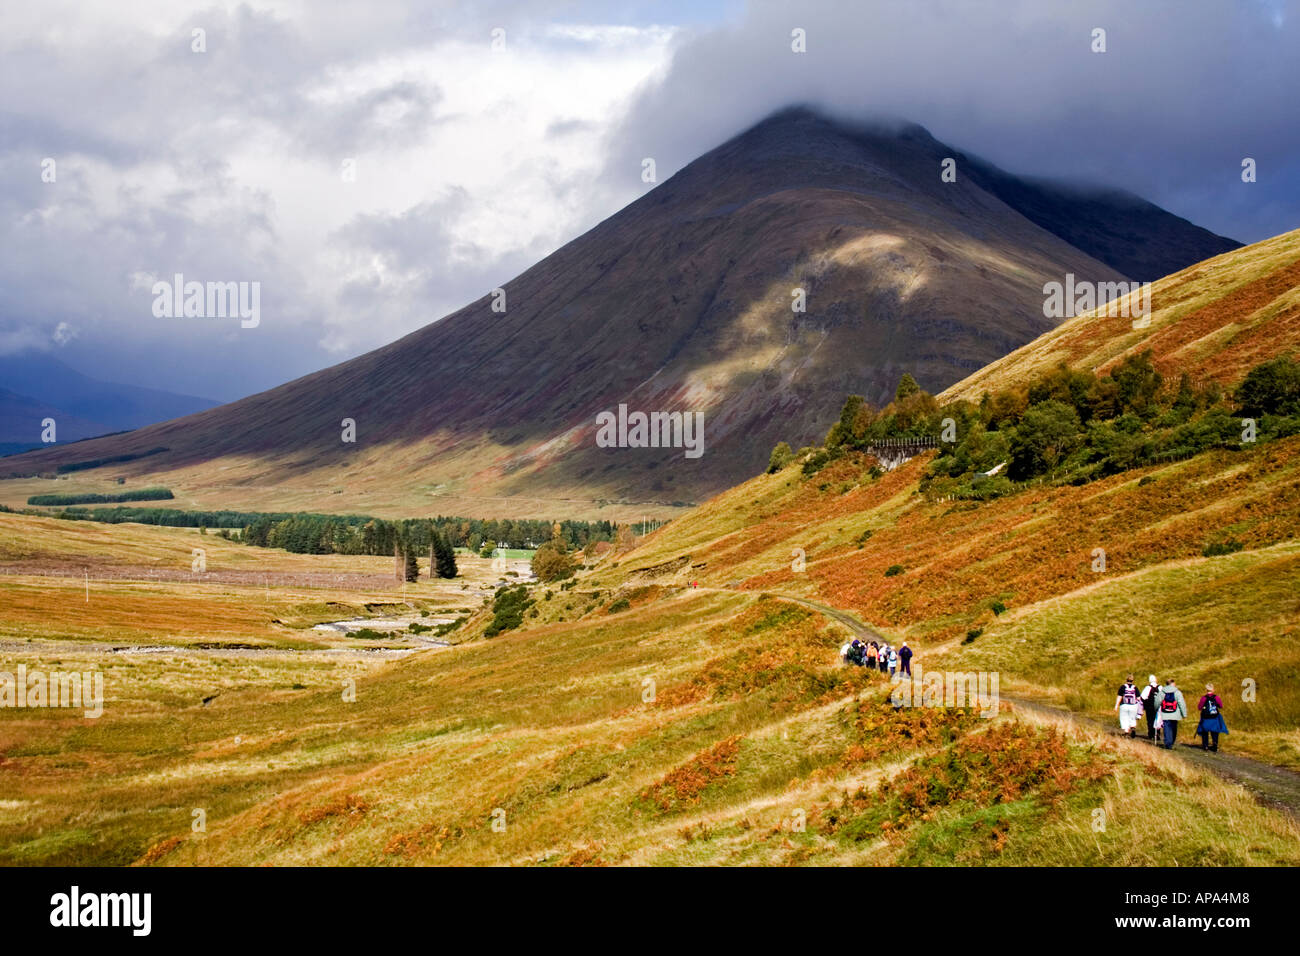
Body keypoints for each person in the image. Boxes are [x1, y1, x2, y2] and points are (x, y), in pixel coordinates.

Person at [1195, 683, 1229, 752]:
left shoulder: (1203, 698)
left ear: (1206, 690)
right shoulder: (1216, 697)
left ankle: (1205, 745)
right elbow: (1221, 706)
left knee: (1205, 731)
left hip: (1205, 717)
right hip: (1214, 717)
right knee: (1215, 731)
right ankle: (1215, 744)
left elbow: (1199, 707)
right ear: (1213, 689)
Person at [1154, 678, 1187, 749]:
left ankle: (1168, 743)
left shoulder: (1162, 692)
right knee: (1174, 728)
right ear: (1173, 684)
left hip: (1165, 713)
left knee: (1167, 728)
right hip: (1175, 714)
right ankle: (1171, 742)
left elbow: (1157, 701)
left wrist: (1156, 708)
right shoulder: (1177, 692)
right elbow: (1182, 703)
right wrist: (1184, 714)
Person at [1139, 674, 1160, 741]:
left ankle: (1151, 734)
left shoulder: (1148, 687)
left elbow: (1142, 697)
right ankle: (1157, 733)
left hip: (1150, 707)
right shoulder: (1160, 687)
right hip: (1158, 707)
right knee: (1158, 720)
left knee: (1150, 720)